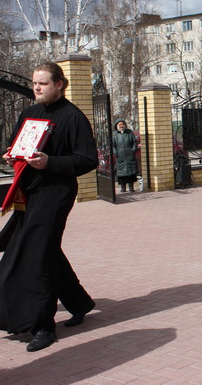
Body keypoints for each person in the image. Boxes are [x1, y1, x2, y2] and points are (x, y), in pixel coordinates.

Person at [0, 62, 97, 352]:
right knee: (46, 249)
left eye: (42, 83)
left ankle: (43, 326)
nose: (36, 88)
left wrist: (50, 162)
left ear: (59, 84)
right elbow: (16, 145)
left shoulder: (73, 117)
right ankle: (79, 302)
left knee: (37, 256)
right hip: (28, 192)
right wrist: (11, 154)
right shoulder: (28, 113)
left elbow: (87, 159)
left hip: (56, 193)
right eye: (34, 83)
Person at [113, 119, 138, 193]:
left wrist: (133, 150)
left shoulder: (129, 132)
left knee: (131, 172)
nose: (121, 126)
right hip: (120, 156)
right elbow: (113, 145)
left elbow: (134, 142)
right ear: (117, 126)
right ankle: (123, 187)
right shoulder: (115, 134)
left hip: (130, 155)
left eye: (122, 124)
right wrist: (116, 153)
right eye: (119, 125)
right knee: (121, 173)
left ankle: (131, 187)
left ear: (125, 125)